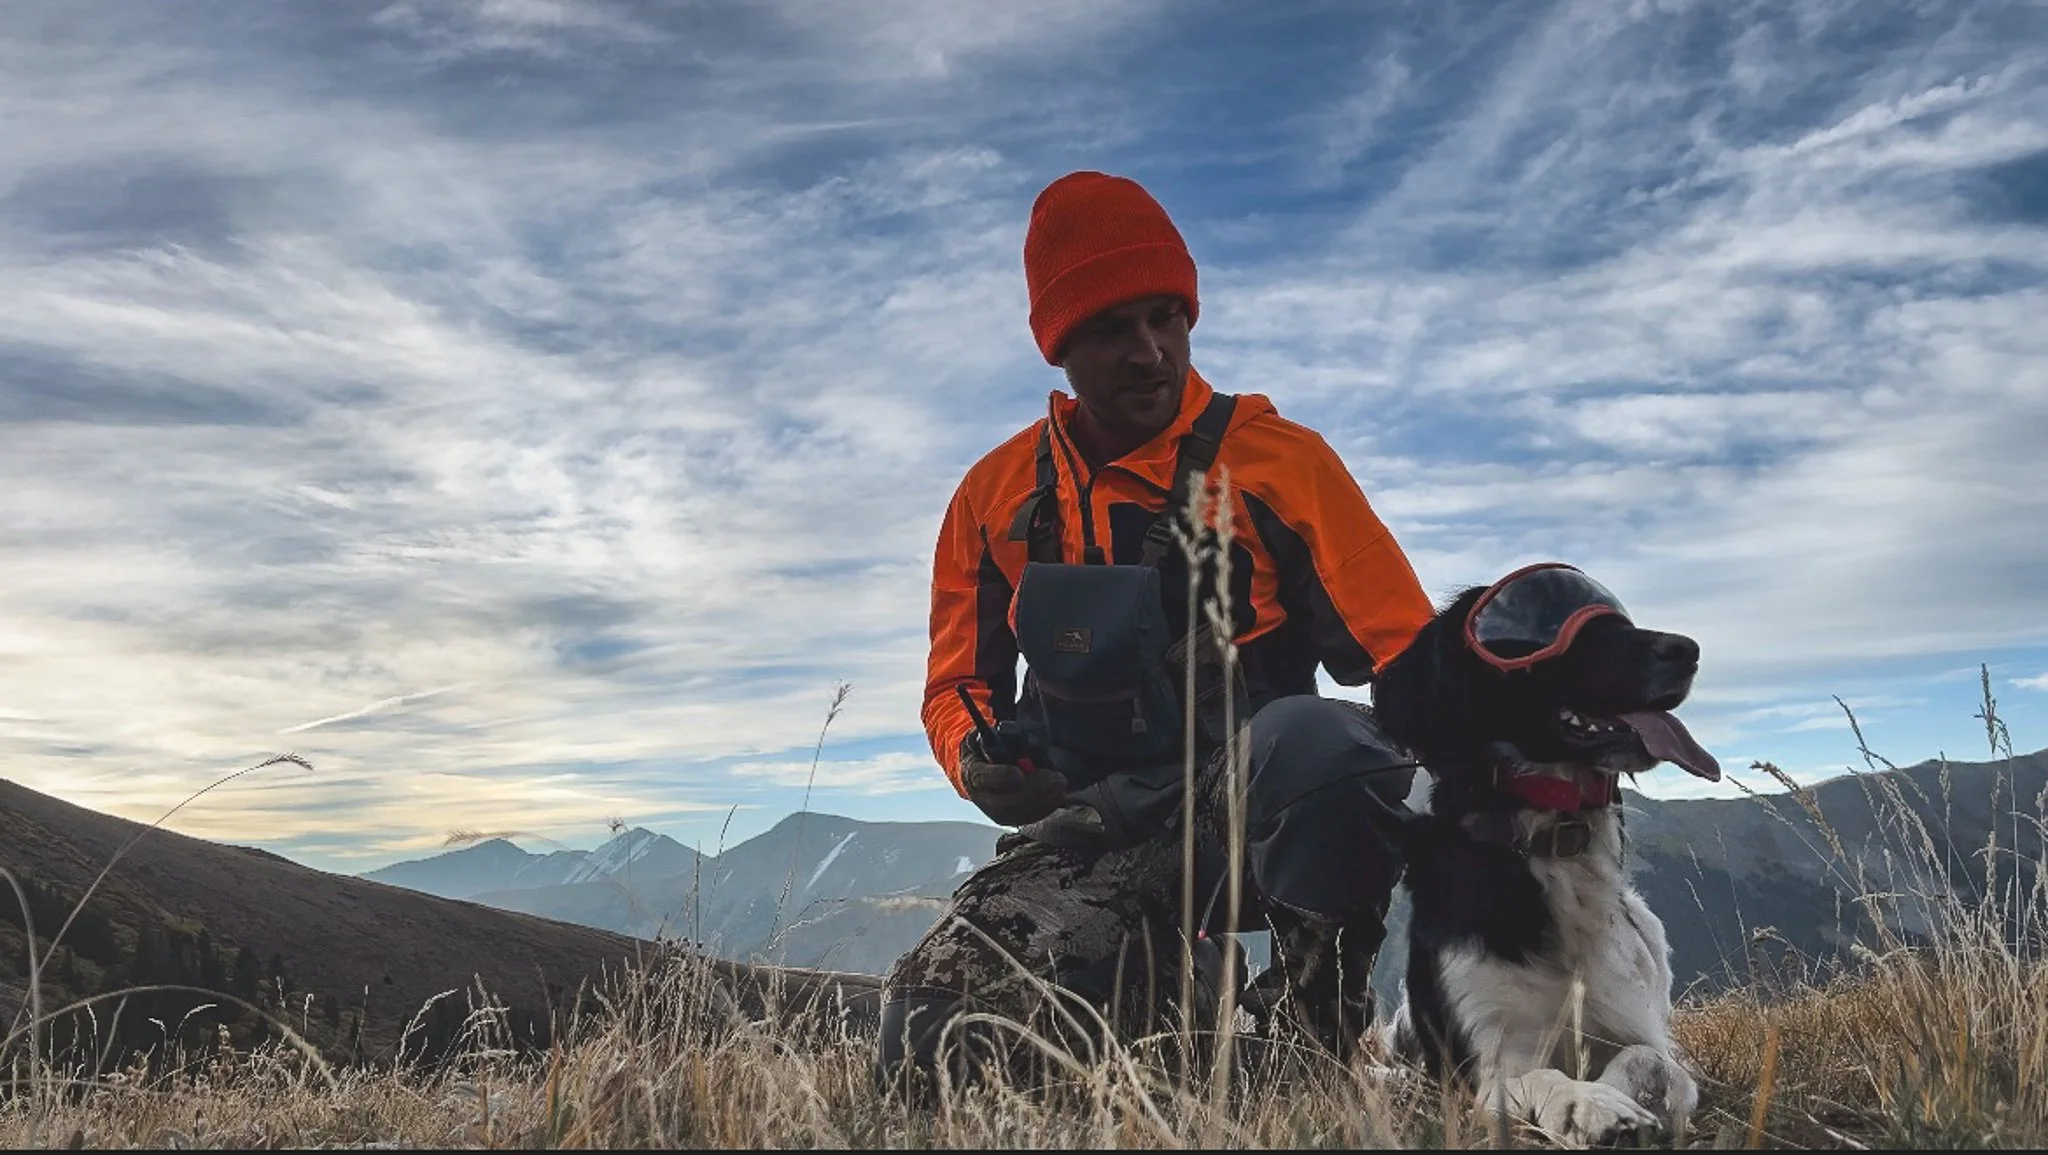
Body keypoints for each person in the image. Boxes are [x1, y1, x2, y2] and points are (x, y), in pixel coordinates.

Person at [878, 170, 1435, 1087]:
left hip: (1252, 822)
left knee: (1324, 741)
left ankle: (1314, 1042)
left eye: (1166, 317)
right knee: (928, 1039)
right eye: (1108, 328)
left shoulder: (1278, 462)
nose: (1148, 351)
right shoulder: (993, 497)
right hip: (1091, 831)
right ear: (1058, 347)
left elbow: (1411, 658)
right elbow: (957, 687)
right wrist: (976, 761)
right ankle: (1177, 1011)